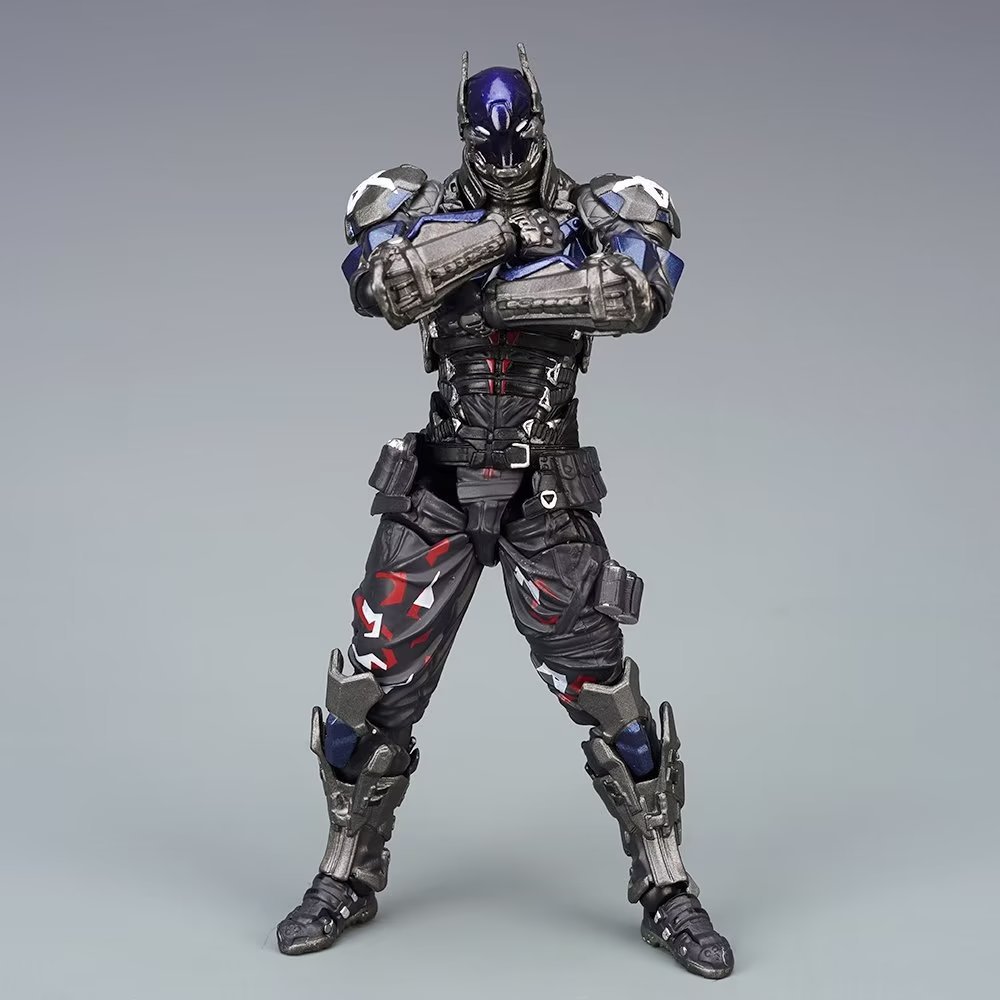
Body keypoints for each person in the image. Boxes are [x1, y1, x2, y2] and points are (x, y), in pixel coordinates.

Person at [276, 44, 734, 980]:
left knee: (605, 690)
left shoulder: (600, 207)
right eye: (489, 144)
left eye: (520, 139)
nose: (507, 156)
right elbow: (381, 287)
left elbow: (638, 294)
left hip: (544, 492)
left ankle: (669, 887)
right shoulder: (414, 203)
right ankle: (343, 873)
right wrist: (497, 237)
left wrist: (492, 289)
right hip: (438, 489)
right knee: (368, 691)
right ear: (462, 137)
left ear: (542, 127)